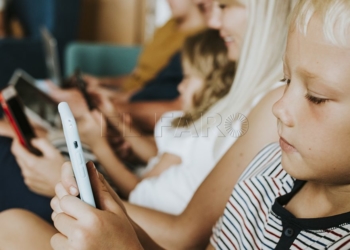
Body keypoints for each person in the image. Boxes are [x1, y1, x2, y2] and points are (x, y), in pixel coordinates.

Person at [0, 0, 296, 248]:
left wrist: (65, 184)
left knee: (9, 169)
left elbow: (183, 233)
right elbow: (177, 156)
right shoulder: (241, 91)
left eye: (225, 5)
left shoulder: (273, 105)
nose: (214, 21)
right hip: (129, 206)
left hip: (133, 216)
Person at [75, 29, 235, 214]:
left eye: (188, 77)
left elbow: (137, 190)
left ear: (214, 83)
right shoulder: (200, 126)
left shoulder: (198, 135)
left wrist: (99, 146)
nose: (180, 87)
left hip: (138, 206)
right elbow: (159, 155)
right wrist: (115, 118)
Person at [83, 0, 205, 133]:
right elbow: (140, 74)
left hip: (144, 99)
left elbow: (160, 84)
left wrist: (116, 99)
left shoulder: (198, 43)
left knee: (86, 110)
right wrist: (103, 83)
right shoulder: (167, 26)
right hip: (128, 95)